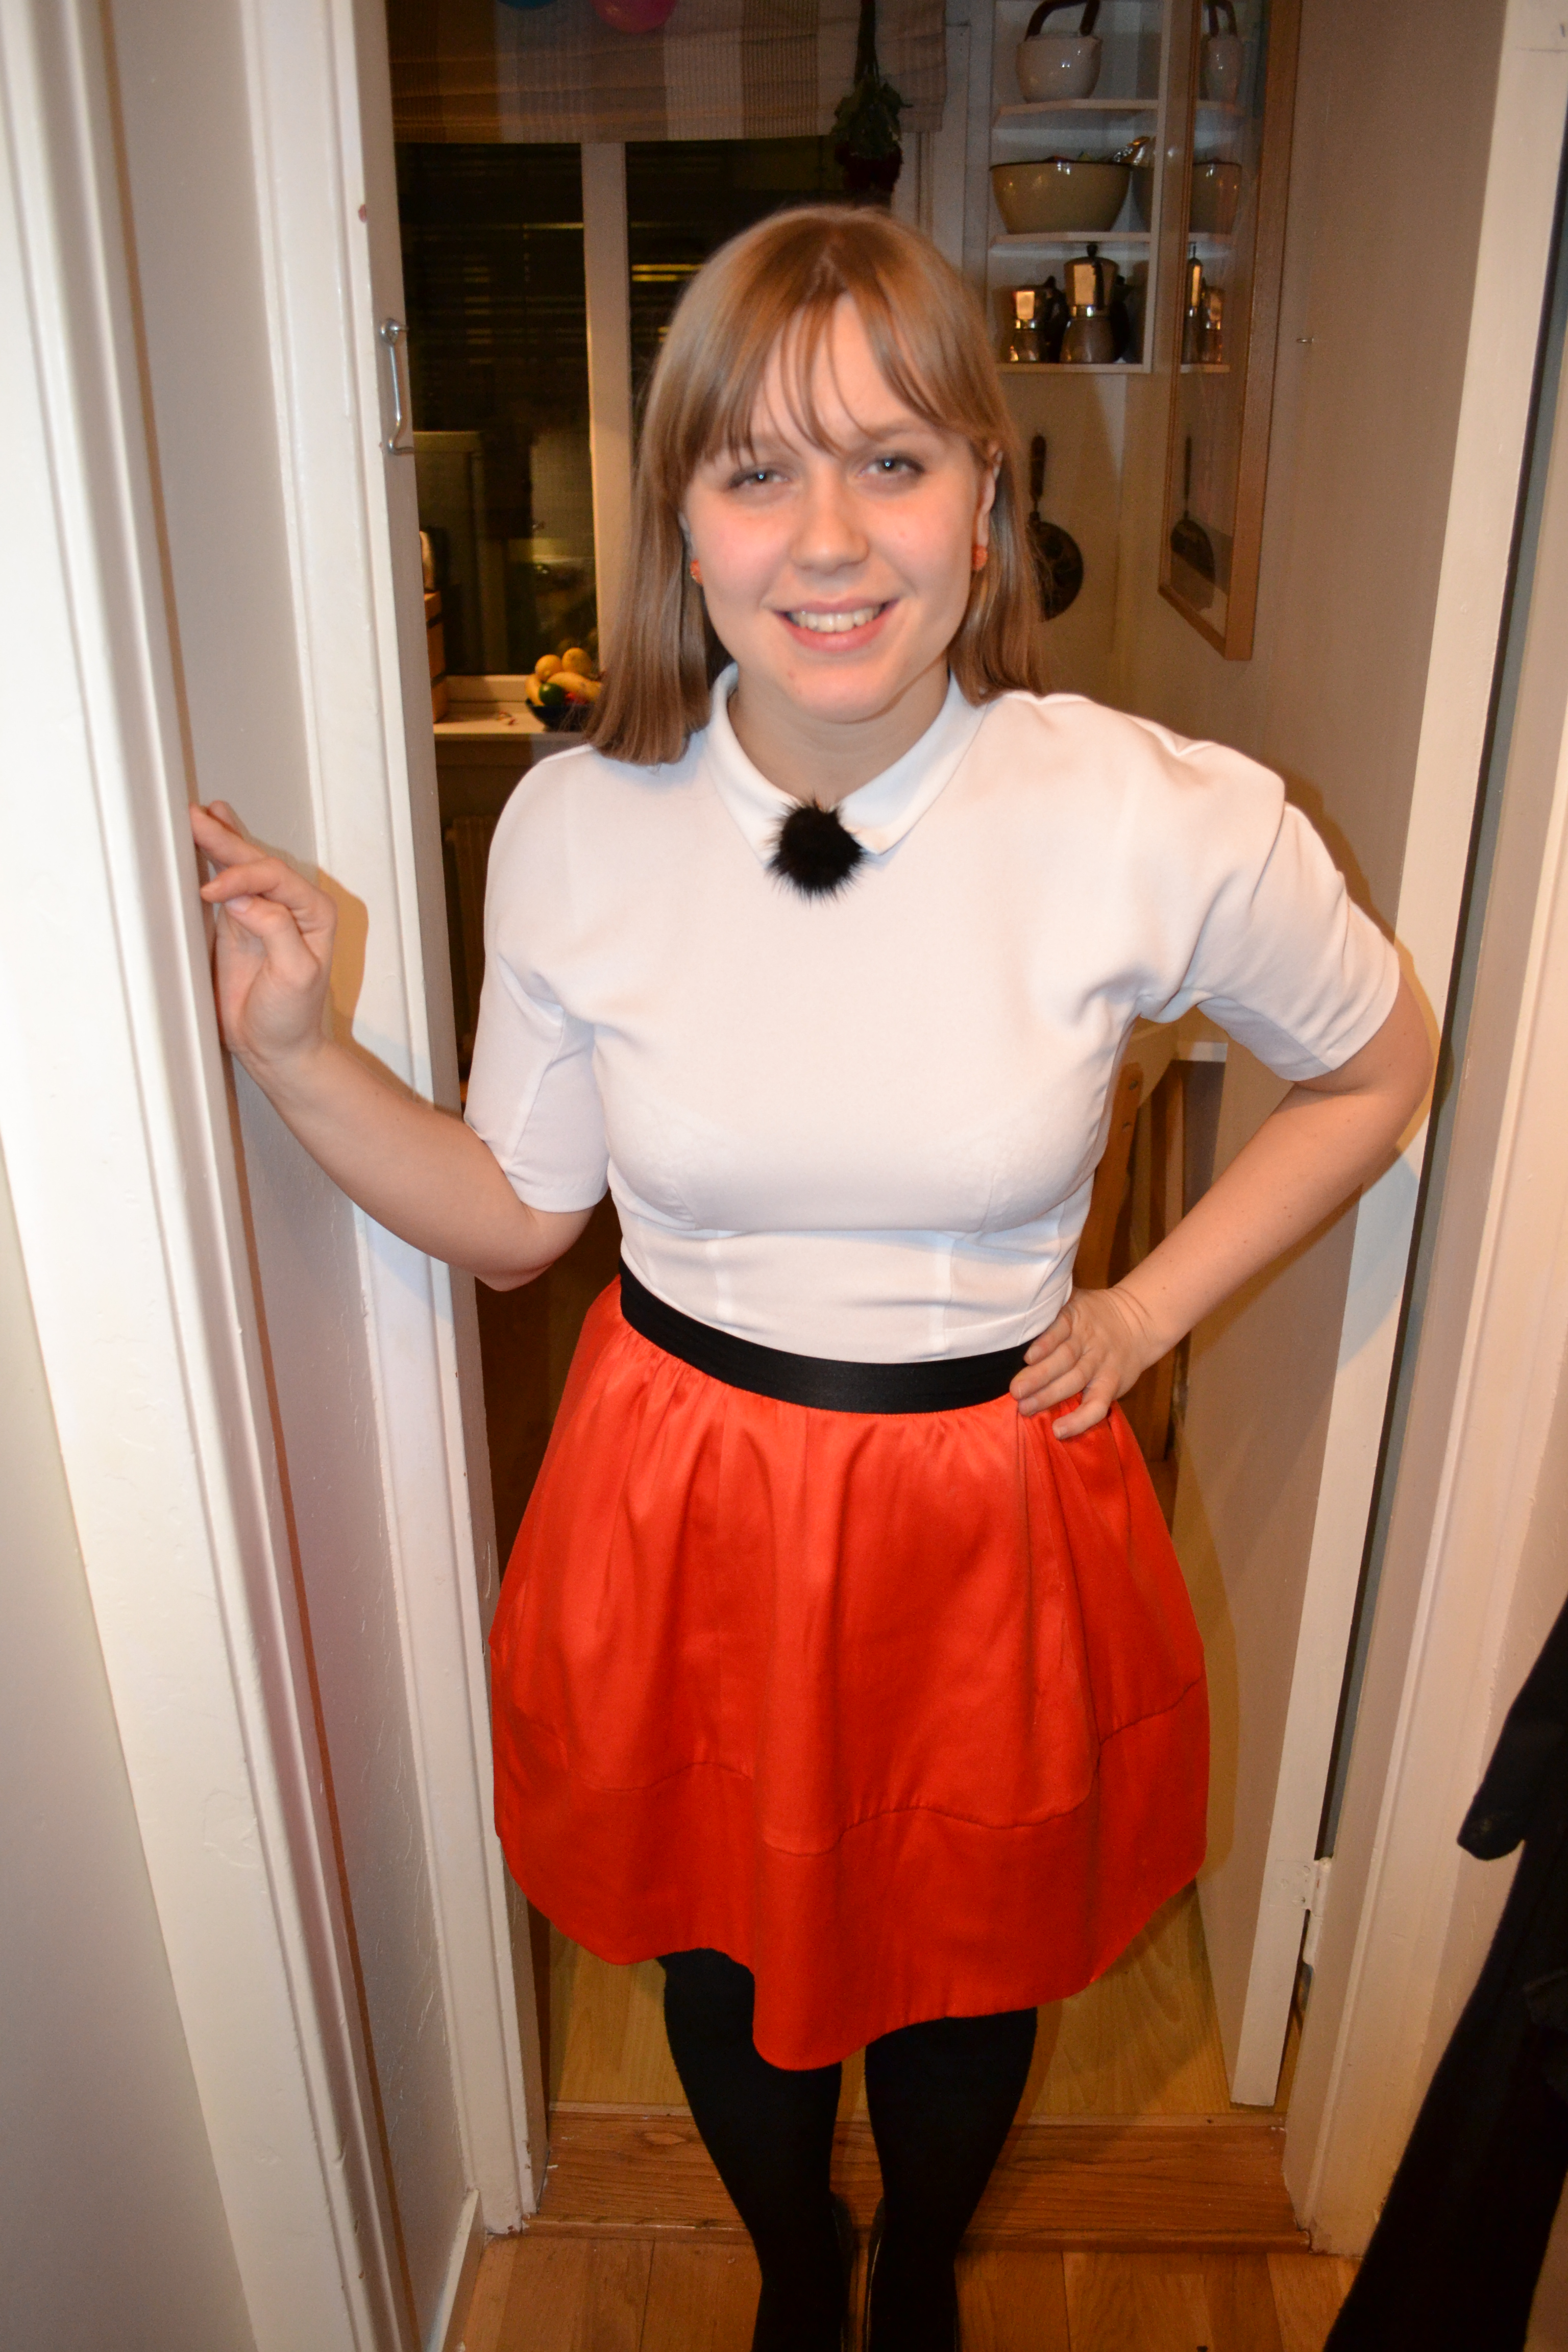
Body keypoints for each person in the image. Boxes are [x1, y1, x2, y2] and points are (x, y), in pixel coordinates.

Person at [190, 207, 1431, 2352]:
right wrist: (302, 1056)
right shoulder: (575, 829)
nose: (830, 537)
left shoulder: (1156, 818)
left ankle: (922, 2271)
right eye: (758, 468)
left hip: (984, 1504)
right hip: (685, 1498)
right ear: (683, 525)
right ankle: (795, 2274)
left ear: (986, 499)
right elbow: (516, 1216)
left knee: (962, 1961)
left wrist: (1146, 1312)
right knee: (726, 1955)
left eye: (893, 459)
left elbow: (1379, 1066)